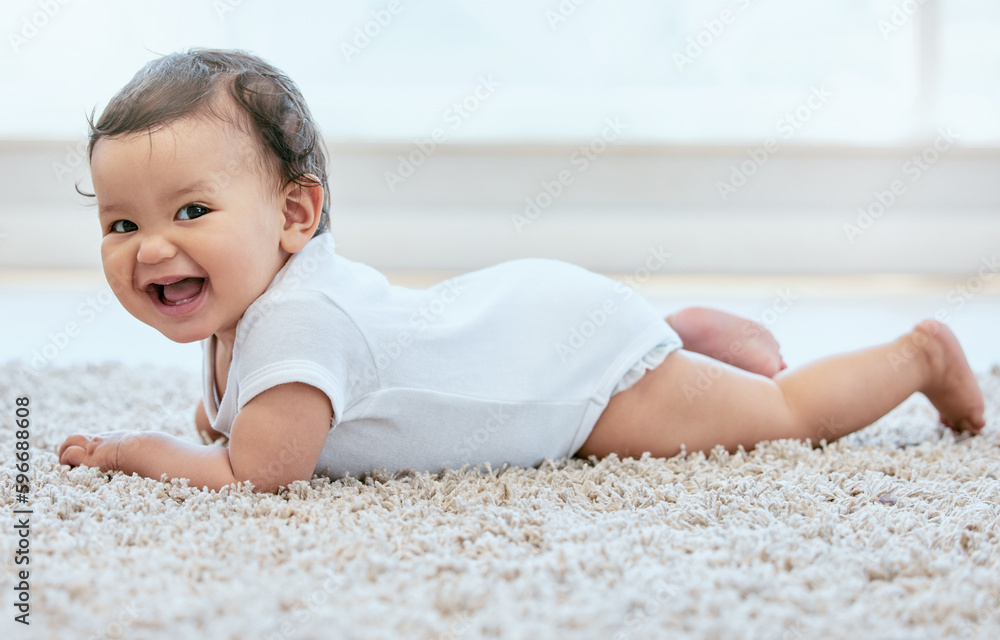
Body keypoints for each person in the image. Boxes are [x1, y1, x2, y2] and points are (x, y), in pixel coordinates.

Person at [58, 49, 987, 493]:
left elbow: (256, 476)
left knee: (782, 418)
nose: (150, 247)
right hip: (529, 322)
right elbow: (239, 417)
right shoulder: (251, 310)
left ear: (295, 214)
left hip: (567, 384)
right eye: (121, 223)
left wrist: (130, 451)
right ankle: (681, 338)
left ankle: (915, 357)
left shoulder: (302, 323)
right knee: (677, 375)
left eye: (191, 212)